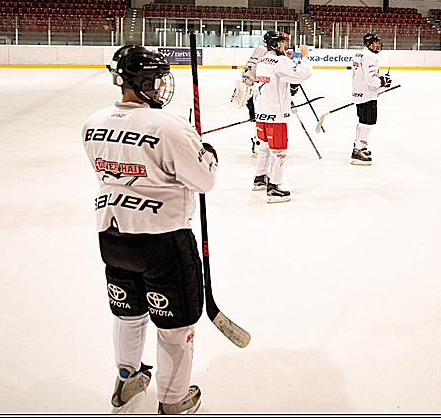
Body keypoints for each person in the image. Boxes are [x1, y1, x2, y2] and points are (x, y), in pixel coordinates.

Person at [81, 45, 218, 415]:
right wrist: (207, 153)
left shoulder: (92, 122)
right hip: (163, 241)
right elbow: (204, 180)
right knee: (174, 326)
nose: (160, 86)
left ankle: (127, 378)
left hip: (112, 237)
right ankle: (173, 399)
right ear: (143, 82)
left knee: (128, 313)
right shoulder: (169, 126)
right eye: (156, 80)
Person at [252, 30, 312, 202]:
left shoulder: (263, 60)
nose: (286, 46)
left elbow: (281, 77)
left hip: (262, 114)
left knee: (264, 146)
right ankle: (273, 188)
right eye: (283, 43)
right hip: (276, 115)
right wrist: (304, 57)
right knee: (279, 151)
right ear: (274, 44)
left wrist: (288, 60)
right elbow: (303, 74)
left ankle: (260, 178)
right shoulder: (281, 61)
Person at [350, 33, 392, 165]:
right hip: (367, 94)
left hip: (359, 92)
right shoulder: (369, 56)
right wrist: (382, 82)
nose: (378, 45)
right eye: (375, 42)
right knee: (368, 123)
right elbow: (370, 79)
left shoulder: (359, 55)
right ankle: (358, 150)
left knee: (362, 122)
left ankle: (359, 146)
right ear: (368, 44)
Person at [232, 40, 268, 156]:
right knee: (265, 120)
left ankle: (258, 142)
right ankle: (259, 142)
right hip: (257, 93)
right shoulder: (268, 55)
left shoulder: (257, 52)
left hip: (249, 92)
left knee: (260, 120)